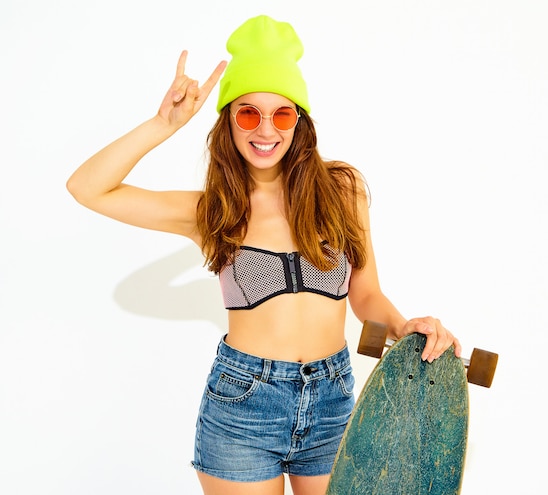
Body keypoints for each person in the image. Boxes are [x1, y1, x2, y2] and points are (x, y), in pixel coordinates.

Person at [66, 14, 461, 495]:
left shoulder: (342, 189)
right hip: (244, 406)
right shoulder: (210, 210)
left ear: (301, 120)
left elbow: (366, 294)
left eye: (282, 114)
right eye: (248, 112)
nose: (265, 130)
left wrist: (404, 328)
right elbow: (87, 188)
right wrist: (162, 125)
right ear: (229, 120)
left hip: (333, 401)